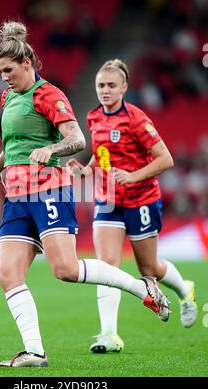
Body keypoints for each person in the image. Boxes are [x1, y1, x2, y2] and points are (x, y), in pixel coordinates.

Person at [0, 22, 170, 368]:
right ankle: (34, 352)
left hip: (48, 190)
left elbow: (77, 140)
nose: (3, 78)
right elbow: (15, 143)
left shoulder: (49, 95)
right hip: (16, 196)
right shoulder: (8, 96)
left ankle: (142, 289)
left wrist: (51, 149)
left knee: (65, 270)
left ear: (27, 64)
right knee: (7, 274)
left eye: (8, 70)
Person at [67, 59, 197, 354]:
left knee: (149, 268)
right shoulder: (93, 117)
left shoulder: (137, 119)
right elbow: (102, 156)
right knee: (106, 265)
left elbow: (166, 159)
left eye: (111, 85)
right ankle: (109, 335)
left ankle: (184, 289)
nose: (105, 91)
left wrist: (132, 176)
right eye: (101, 85)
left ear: (124, 87)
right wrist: (86, 170)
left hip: (141, 199)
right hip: (108, 200)